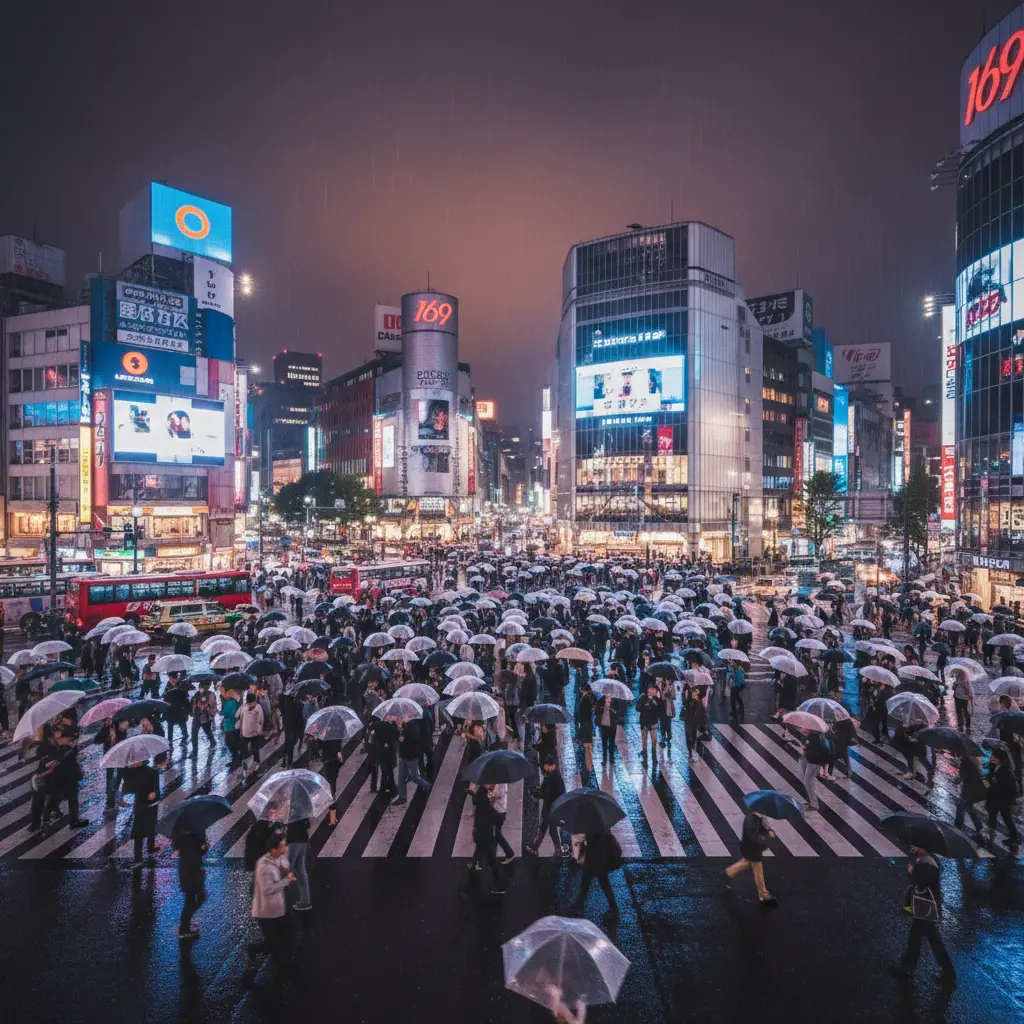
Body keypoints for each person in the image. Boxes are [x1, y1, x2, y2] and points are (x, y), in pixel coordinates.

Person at [891, 846, 955, 985]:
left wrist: (911, 871)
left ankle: (949, 973)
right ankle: (907, 966)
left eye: (915, 844)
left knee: (933, 940)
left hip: (926, 906)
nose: (913, 846)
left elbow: (920, 881)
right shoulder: (923, 858)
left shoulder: (929, 862)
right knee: (915, 936)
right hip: (923, 906)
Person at [246, 833, 296, 969]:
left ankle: (275, 957)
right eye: (283, 846)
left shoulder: (278, 857)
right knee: (274, 941)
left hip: (279, 907)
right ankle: (279, 966)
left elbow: (286, 865)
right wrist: (287, 880)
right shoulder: (263, 866)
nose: (285, 848)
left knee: (285, 933)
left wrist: (285, 866)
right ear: (273, 849)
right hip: (266, 912)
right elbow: (268, 889)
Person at [724, 811, 777, 907]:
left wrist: (767, 829)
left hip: (752, 848)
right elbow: (753, 837)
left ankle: (728, 873)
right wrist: (768, 835)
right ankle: (763, 894)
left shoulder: (757, 818)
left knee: (746, 863)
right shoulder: (751, 820)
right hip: (752, 848)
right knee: (758, 871)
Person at [464, 783, 505, 895]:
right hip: (484, 836)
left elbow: (478, 799)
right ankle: (500, 886)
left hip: (479, 834)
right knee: (491, 861)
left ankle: (471, 872)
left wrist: (472, 793)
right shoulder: (485, 805)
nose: (490, 785)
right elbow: (496, 817)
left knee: (479, 852)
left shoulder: (480, 799)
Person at [569, 829, 621, 919]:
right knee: (589, 884)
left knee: (598, 885)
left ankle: (613, 909)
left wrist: (579, 856)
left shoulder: (593, 827)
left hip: (595, 860)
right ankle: (579, 905)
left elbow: (589, 844)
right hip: (599, 860)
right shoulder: (600, 825)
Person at [526, 755, 567, 856]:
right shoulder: (551, 774)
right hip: (551, 807)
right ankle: (557, 850)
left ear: (552, 766)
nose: (545, 767)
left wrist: (538, 794)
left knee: (544, 828)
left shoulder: (554, 777)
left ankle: (535, 848)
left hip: (551, 808)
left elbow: (547, 793)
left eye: (547, 765)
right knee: (550, 829)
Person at [123, 758, 160, 867]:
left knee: (151, 827)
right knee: (138, 832)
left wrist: (154, 794)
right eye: (133, 760)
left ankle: (151, 847)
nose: (134, 762)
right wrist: (128, 771)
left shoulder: (151, 772)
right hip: (139, 805)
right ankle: (138, 858)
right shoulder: (129, 772)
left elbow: (156, 788)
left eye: (136, 760)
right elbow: (127, 789)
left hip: (151, 805)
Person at [175, 830, 208, 940]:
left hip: (186, 869)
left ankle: (185, 924)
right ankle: (184, 928)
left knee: (191, 899)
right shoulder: (195, 830)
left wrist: (202, 849)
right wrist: (203, 849)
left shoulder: (180, 831)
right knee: (197, 898)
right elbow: (195, 853)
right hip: (192, 871)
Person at [986, 746, 1021, 848]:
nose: (991, 757)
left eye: (993, 756)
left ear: (999, 758)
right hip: (998, 797)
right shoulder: (996, 766)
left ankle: (1014, 837)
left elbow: (1002, 785)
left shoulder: (1005, 770)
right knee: (996, 814)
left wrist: (990, 783)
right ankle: (993, 830)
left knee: (1006, 818)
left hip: (1003, 799)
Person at [393, 720, 432, 805]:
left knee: (415, 777)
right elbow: (396, 737)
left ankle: (428, 786)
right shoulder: (401, 725)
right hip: (403, 755)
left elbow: (415, 737)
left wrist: (403, 733)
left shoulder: (413, 724)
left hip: (411, 755)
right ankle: (402, 798)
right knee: (401, 778)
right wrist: (399, 730)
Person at [286, 817, 312, 911]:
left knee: (286, 867)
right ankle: (305, 901)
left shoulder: (291, 808)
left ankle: (277, 901)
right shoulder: (303, 808)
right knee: (300, 870)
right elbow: (308, 824)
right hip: (303, 839)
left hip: (294, 840)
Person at [636, 683, 662, 765]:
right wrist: (644, 705)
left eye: (652, 689)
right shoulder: (642, 697)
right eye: (650, 689)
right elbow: (637, 708)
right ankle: (645, 755)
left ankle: (654, 757)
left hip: (653, 723)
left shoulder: (657, 699)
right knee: (644, 740)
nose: (651, 691)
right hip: (644, 722)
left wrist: (656, 700)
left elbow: (660, 709)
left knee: (654, 740)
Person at [239, 691, 264, 772]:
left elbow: (241, 718)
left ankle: (252, 763)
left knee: (249, 749)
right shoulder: (258, 707)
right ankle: (255, 763)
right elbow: (261, 720)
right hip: (252, 732)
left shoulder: (244, 707)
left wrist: (241, 731)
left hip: (248, 732)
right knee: (254, 749)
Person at [189, 680, 217, 755]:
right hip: (197, 717)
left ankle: (213, 742)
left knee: (208, 731)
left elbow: (213, 706)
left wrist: (207, 708)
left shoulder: (211, 694)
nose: (201, 688)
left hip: (206, 717)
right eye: (200, 687)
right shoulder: (197, 694)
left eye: (203, 687)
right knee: (194, 734)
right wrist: (195, 706)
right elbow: (192, 704)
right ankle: (195, 750)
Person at [594, 692, 621, 768]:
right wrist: (603, 707)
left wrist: (611, 708)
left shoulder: (615, 701)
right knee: (604, 744)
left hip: (612, 726)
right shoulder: (600, 701)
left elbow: (618, 713)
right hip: (604, 726)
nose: (608, 695)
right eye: (606, 693)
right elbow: (596, 712)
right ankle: (604, 759)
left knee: (612, 743)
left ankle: (611, 759)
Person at [574, 681, 595, 772]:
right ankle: (589, 765)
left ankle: (588, 766)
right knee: (588, 746)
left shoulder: (585, 698)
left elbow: (583, 712)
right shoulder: (588, 697)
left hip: (586, 725)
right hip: (587, 724)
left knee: (587, 746)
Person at [221, 687, 241, 770]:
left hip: (233, 727)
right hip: (227, 726)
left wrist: (225, 714)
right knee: (230, 743)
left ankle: (237, 760)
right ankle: (234, 759)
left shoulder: (234, 702)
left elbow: (234, 714)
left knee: (232, 743)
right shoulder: (226, 702)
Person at [951, 669, 973, 734]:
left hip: (964, 699)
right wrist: (955, 683)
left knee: (966, 712)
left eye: (958, 673)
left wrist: (970, 697)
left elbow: (969, 690)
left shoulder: (966, 682)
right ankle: (961, 725)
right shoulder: (957, 681)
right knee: (959, 712)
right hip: (957, 698)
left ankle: (967, 726)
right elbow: (953, 688)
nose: (957, 675)